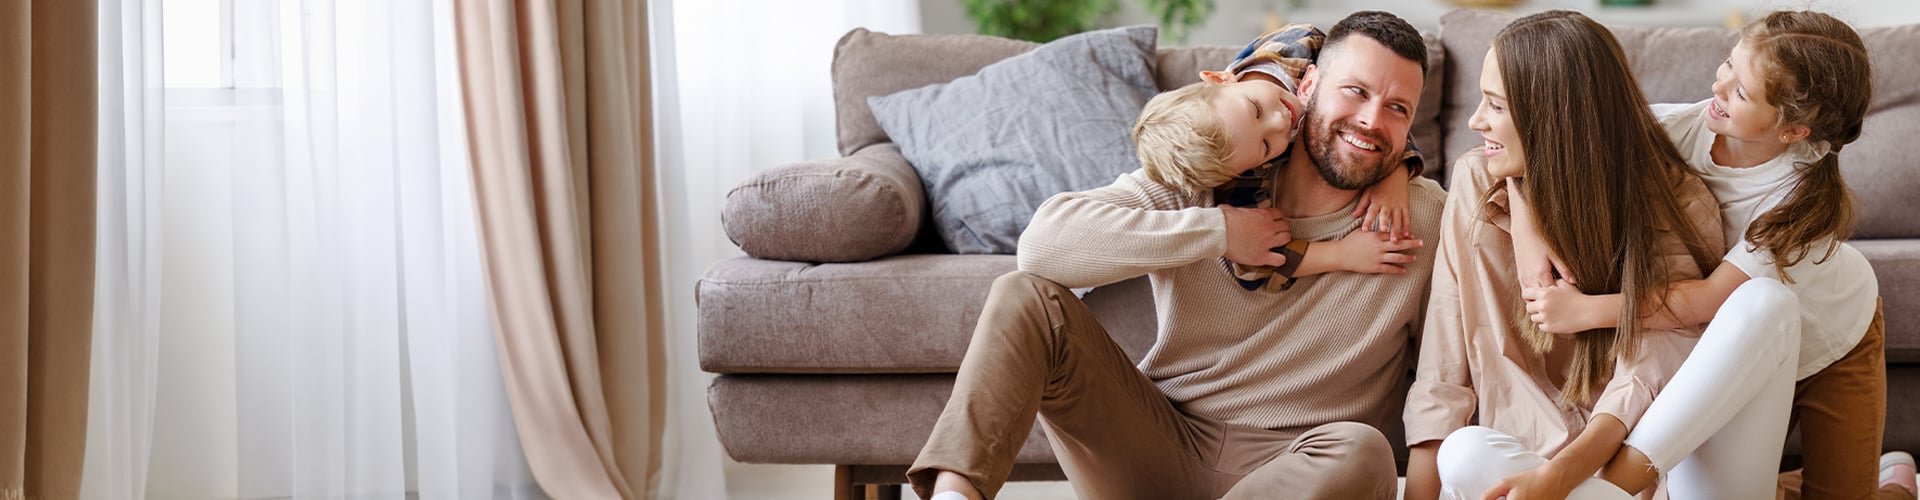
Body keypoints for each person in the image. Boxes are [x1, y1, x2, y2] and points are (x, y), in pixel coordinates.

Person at [905, 10, 1441, 500]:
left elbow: (1452, 371)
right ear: (1309, 84)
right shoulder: (1214, 168)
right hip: (1162, 440)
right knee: (1024, 298)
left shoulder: (1424, 215)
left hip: (1302, 465)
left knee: (1362, 449)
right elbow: (1042, 248)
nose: (1372, 121)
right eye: (1355, 91)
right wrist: (1217, 231)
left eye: (1397, 108)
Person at [1520, 10, 1912, 499]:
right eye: (1729, 64)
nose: (1718, 85)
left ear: (1793, 131)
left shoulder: (1795, 199)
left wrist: (1587, 312)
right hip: (1746, 343)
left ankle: (1894, 482)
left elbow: (1708, 298)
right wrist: (1531, 237)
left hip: (1833, 337)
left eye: (1742, 92)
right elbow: (1534, 160)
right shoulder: (1674, 129)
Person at [1401, 10, 1726, 500]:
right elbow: (1443, 363)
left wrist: (1558, 478)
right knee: (1464, 454)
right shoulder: (1476, 182)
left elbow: (1653, 373)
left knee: (1469, 458)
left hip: (1613, 472)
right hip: (1502, 467)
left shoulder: (1679, 203)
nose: (1474, 121)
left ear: (1554, 119)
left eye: (1495, 106)